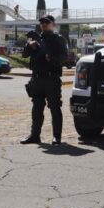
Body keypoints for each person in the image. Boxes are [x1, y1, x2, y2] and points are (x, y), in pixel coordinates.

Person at [21, 15, 68, 145]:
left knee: (55, 108)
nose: (44, 24)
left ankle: (56, 137)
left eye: (47, 22)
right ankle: (34, 135)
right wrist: (29, 46)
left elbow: (64, 57)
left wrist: (51, 58)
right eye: (42, 22)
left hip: (51, 78)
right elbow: (24, 54)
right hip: (36, 79)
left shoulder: (58, 39)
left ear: (53, 24)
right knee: (37, 108)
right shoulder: (36, 39)